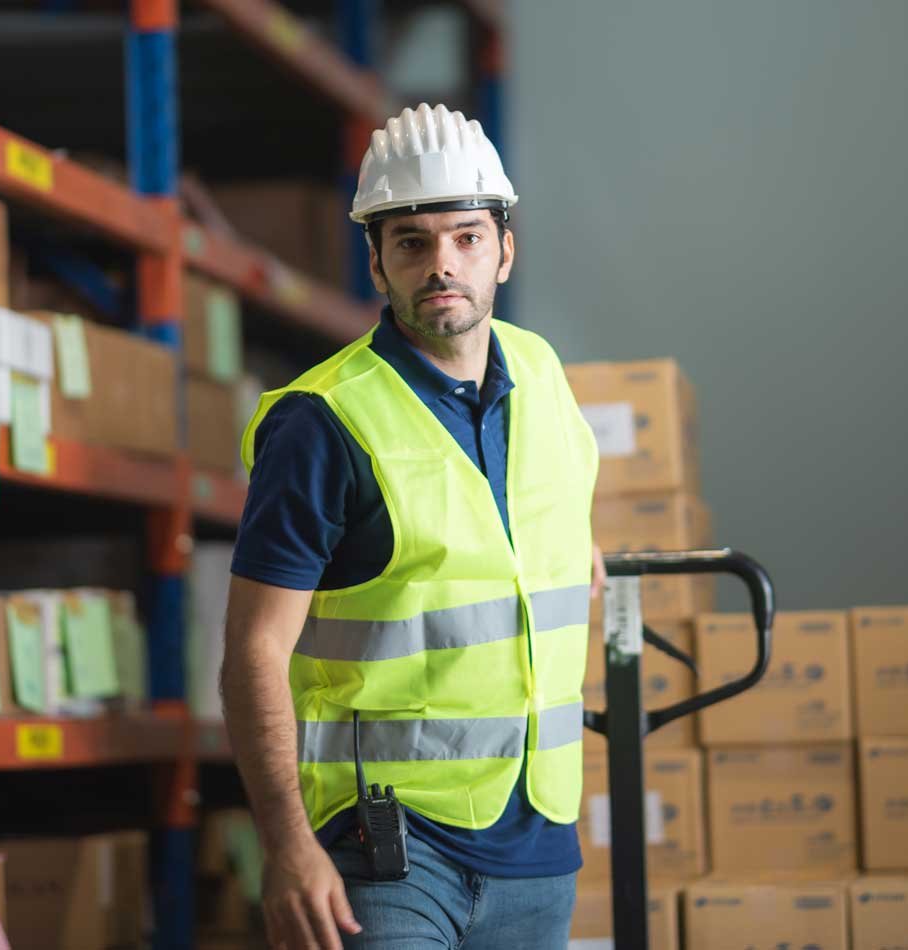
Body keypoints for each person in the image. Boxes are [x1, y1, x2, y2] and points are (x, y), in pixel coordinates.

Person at [219, 103, 606, 950]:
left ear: (506, 247)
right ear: (377, 262)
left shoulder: (540, 375)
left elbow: (563, 549)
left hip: (538, 847)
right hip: (387, 857)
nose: (442, 265)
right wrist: (286, 847)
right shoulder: (322, 422)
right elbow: (253, 651)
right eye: (412, 243)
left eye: (467, 237)